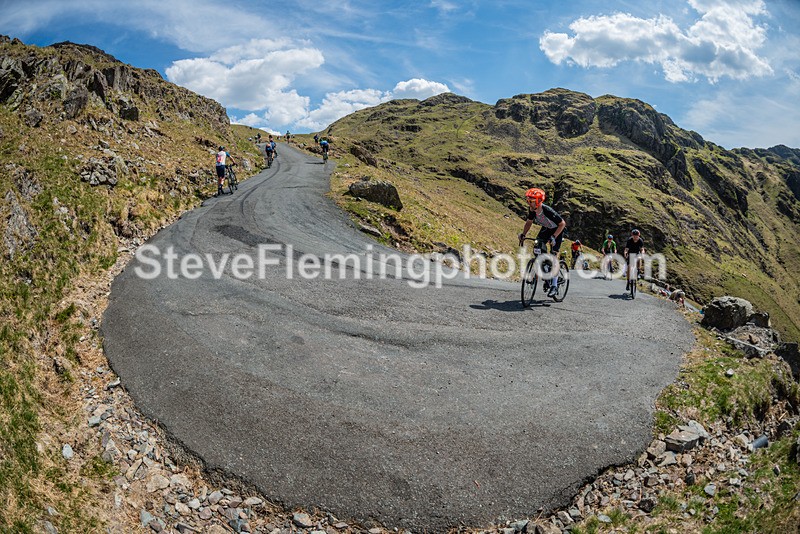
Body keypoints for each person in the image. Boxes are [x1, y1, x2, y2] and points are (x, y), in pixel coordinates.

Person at [518, 187, 566, 298]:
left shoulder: (547, 210)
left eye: (532, 201)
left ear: (539, 201)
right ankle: (544, 268)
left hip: (557, 230)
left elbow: (562, 223)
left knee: (554, 255)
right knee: (537, 248)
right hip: (546, 229)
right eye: (528, 201)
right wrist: (523, 234)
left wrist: (554, 237)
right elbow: (529, 222)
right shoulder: (532, 210)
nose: (530, 203)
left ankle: (554, 285)